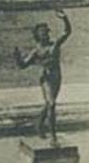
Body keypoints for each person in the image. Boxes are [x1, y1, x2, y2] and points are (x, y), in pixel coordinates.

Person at [13, 9, 72, 145]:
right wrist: (17, 57)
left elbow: (67, 32)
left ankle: (39, 124)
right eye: (43, 33)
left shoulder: (55, 44)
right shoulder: (36, 52)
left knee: (48, 104)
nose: (46, 34)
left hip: (57, 77)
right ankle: (53, 136)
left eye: (47, 32)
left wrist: (65, 18)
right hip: (46, 79)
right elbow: (23, 65)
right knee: (51, 104)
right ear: (38, 35)